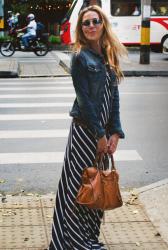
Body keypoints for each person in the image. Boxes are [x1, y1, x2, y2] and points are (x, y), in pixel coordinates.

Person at [49, 5, 127, 250]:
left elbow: (113, 98)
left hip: (102, 134)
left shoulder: (108, 55)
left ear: (103, 24)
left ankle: (88, 237)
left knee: (96, 188)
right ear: (81, 29)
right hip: (86, 133)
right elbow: (84, 101)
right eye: (86, 23)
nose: (91, 26)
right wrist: (100, 135)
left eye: (95, 21)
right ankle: (73, 241)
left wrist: (115, 132)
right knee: (79, 186)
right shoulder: (80, 57)